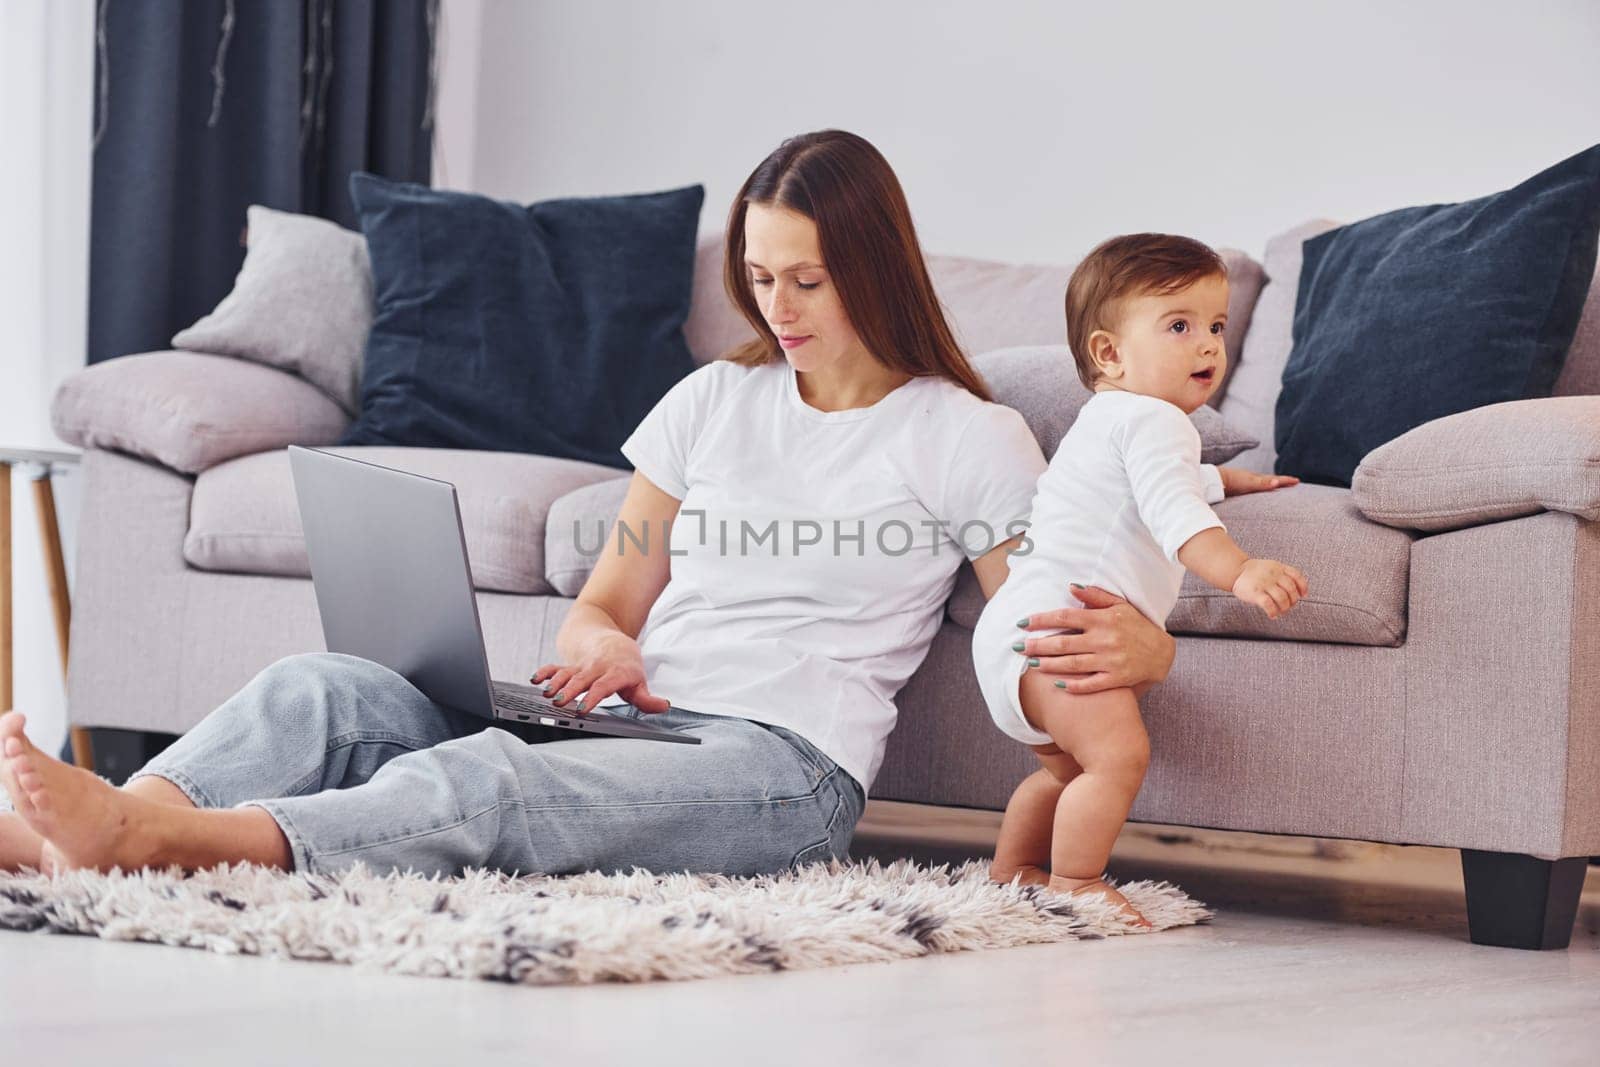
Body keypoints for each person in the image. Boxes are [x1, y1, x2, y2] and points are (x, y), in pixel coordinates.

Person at [0, 132, 1293, 885]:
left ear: (877, 273)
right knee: (326, 687)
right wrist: (600, 637)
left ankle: (174, 839)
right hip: (629, 719)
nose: (778, 308)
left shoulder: (964, 432)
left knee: (480, 780)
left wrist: (1150, 640)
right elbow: (619, 582)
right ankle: (105, 824)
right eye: (759, 277)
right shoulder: (709, 404)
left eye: (809, 280)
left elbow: (1037, 612)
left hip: (776, 764)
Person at [974, 234, 1307, 926]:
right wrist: (1240, 570)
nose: (1208, 345)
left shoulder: (1107, 420)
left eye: (1216, 325)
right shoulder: (1157, 421)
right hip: (1062, 632)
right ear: (1109, 353)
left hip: (1016, 626)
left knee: (1064, 771)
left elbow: (1144, 488)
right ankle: (1075, 879)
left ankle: (1013, 870)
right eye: (1179, 326)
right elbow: (1173, 512)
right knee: (1120, 753)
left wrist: (1226, 478)